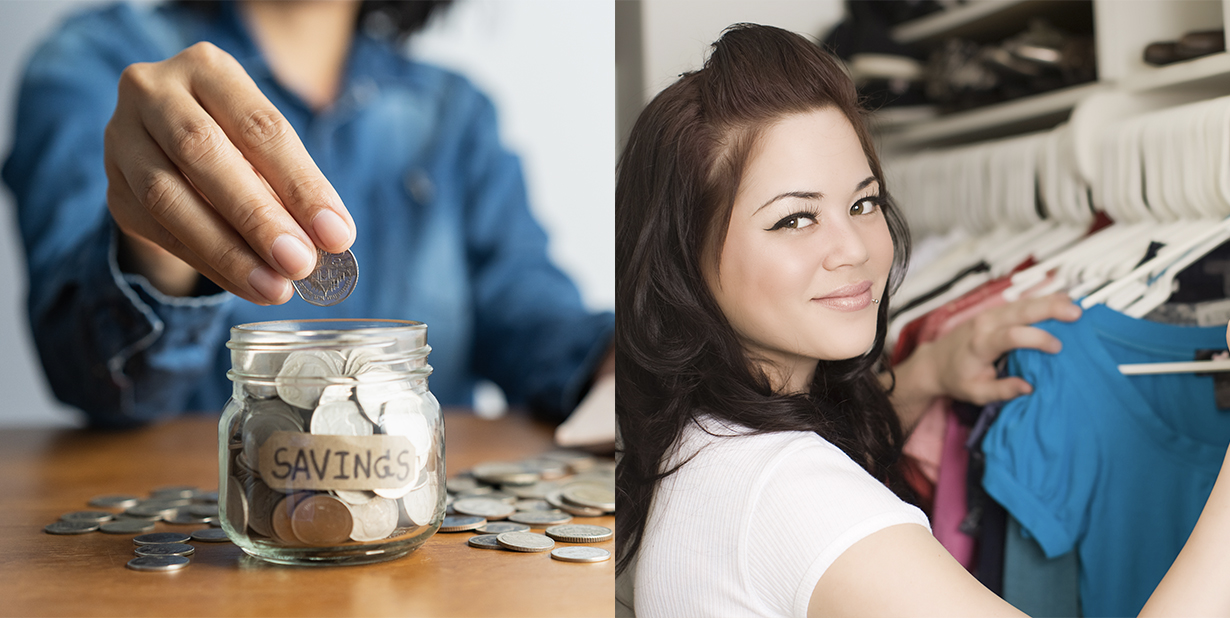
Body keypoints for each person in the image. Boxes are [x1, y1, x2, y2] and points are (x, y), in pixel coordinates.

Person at [615, 24, 1230, 617]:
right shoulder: (797, 500)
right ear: (682, 255)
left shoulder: (698, 442)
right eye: (795, 219)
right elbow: (796, 513)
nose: (854, 248)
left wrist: (926, 372)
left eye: (863, 202)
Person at [3, 1, 613, 428]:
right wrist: (154, 241)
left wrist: (617, 359)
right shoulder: (92, 65)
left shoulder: (456, 113)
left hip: (410, 537)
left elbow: (532, 314)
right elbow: (87, 376)